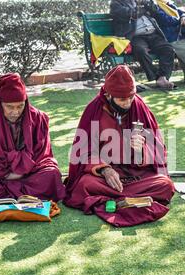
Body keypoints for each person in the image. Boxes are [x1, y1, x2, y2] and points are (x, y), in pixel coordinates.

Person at [63, 65, 175, 227]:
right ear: (108, 95)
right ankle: (129, 199)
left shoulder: (139, 106)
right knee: (84, 185)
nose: (128, 103)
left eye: (131, 98)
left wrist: (141, 150)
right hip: (103, 177)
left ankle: (113, 200)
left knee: (165, 185)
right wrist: (104, 169)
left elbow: (158, 149)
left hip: (136, 174)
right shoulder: (93, 110)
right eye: (122, 100)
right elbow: (83, 152)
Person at [0, 73, 65, 205]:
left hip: (29, 174)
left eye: (20, 106)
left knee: (52, 174)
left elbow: (43, 155)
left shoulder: (37, 118)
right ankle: (25, 195)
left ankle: (5, 197)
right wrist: (5, 174)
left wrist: (23, 170)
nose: (15, 112)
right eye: (10, 107)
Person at [110, 0, 176, 90]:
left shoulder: (144, 1)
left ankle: (163, 77)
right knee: (140, 51)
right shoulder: (116, 3)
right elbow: (130, 14)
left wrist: (148, 3)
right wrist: (144, 7)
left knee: (168, 49)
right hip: (136, 36)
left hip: (153, 33)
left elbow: (155, 10)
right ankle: (157, 77)